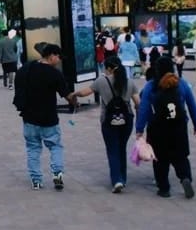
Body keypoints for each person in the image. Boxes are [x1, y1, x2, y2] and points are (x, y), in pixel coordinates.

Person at [70, 55, 139, 193]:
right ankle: (123, 178)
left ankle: (117, 180)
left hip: (108, 120)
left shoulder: (102, 81)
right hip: (127, 120)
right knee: (121, 148)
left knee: (112, 150)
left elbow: (85, 92)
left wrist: (74, 94)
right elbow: (138, 103)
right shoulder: (129, 82)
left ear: (108, 68)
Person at [136, 56, 196, 198]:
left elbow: (144, 108)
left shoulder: (151, 86)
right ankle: (185, 178)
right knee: (181, 156)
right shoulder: (181, 83)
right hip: (179, 126)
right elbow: (192, 105)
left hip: (157, 127)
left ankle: (164, 188)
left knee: (160, 159)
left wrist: (139, 129)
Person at [13, 44, 74, 190]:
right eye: (58, 57)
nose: (59, 61)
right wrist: (75, 99)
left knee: (33, 149)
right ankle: (57, 174)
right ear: (52, 55)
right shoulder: (55, 74)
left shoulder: (28, 68)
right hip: (49, 118)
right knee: (55, 147)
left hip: (29, 117)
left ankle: (36, 181)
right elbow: (67, 95)